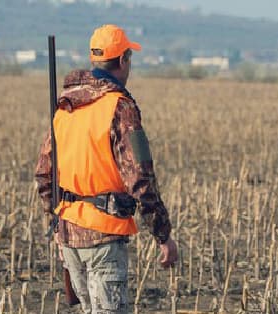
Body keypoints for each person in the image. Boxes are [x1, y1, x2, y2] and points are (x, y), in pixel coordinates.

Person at [35, 24, 178, 314]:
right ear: (124, 60)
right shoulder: (119, 107)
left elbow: (44, 174)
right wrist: (163, 235)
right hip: (103, 237)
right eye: (130, 59)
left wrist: (58, 219)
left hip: (69, 237)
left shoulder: (66, 106)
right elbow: (140, 178)